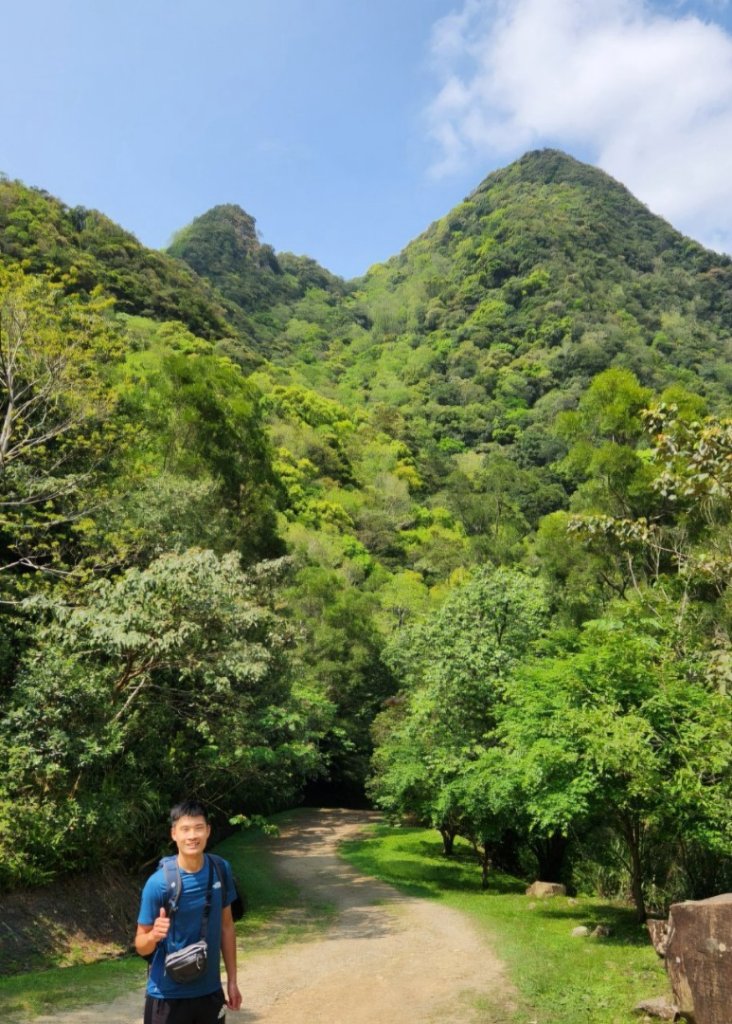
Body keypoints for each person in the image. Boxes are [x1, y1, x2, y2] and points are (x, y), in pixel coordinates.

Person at [136, 800, 243, 1024]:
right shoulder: (158, 884)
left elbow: (226, 926)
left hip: (210, 994)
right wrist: (154, 936)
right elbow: (140, 944)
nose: (192, 836)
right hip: (166, 997)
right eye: (185, 829)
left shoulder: (220, 870)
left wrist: (232, 981)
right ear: (174, 834)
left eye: (198, 828)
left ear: (208, 831)